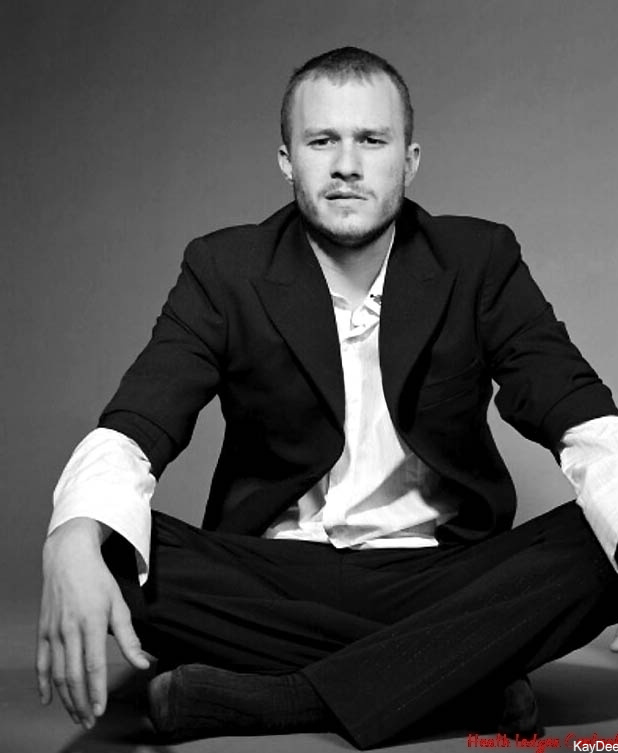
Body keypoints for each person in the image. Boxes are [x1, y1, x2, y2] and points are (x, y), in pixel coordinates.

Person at [36, 46, 618, 750]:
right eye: (322, 141)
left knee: (598, 542)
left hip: (439, 572)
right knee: (108, 546)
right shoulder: (224, 269)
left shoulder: (479, 260)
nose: (347, 164)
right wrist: (71, 536)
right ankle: (462, 677)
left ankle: (283, 698)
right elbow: (139, 421)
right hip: (272, 575)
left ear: (409, 159)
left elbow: (579, 413)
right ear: (287, 160)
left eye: (371, 140)